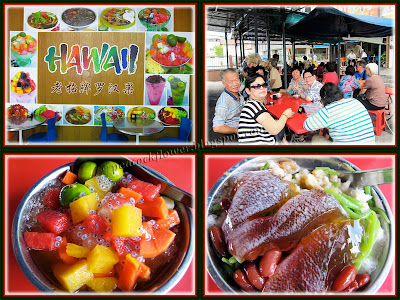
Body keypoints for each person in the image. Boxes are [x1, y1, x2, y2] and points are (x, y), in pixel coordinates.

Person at [304, 83, 375, 144]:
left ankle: (325, 159)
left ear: (324, 98)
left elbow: (307, 126)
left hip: (349, 158)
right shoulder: (355, 101)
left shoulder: (329, 110)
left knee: (315, 138)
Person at [238, 74, 294, 144]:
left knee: (279, 123)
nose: (262, 88)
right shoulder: (254, 106)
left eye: (264, 85)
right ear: (248, 91)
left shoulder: (251, 104)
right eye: (257, 86)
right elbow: (275, 129)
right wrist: (285, 115)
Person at [213, 69, 245, 135]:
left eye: (236, 80)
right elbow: (217, 127)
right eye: (230, 82)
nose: (235, 84)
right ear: (224, 84)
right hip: (232, 136)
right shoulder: (223, 102)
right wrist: (236, 130)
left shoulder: (238, 94)